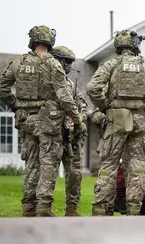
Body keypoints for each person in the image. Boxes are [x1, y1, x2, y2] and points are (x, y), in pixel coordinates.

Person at [0, 25, 85, 217]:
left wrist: (17, 105)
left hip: (26, 121)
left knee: (32, 165)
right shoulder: (53, 64)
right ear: (50, 42)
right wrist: (78, 119)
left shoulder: (18, 63)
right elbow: (64, 96)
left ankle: (28, 209)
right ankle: (43, 209)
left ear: (32, 40)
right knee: (48, 164)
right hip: (48, 121)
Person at [86, 29, 145, 216]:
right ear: (135, 45)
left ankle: (101, 210)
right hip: (140, 121)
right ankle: (134, 211)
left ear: (118, 46)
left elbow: (92, 87)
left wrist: (105, 107)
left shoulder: (111, 64)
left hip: (116, 121)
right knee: (136, 167)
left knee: (109, 165)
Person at [51, 45, 88, 216]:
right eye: (66, 61)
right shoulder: (47, 82)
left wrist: (79, 118)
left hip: (71, 138)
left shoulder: (71, 85)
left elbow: (82, 105)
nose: (68, 66)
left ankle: (71, 209)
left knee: (75, 174)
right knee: (48, 173)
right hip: (52, 135)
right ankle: (43, 210)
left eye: (71, 62)